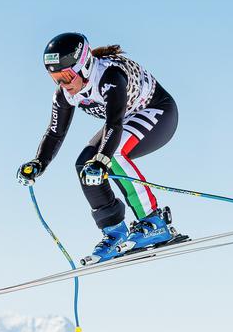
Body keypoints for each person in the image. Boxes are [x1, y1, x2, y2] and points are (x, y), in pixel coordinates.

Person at [17, 32, 182, 265]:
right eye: (55, 78)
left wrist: (101, 159)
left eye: (66, 76)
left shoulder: (109, 76)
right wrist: (38, 163)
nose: (63, 84)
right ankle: (115, 232)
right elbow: (55, 133)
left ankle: (154, 222)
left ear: (83, 65)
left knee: (111, 155)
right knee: (84, 164)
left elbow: (114, 123)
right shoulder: (65, 94)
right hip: (127, 120)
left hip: (158, 112)